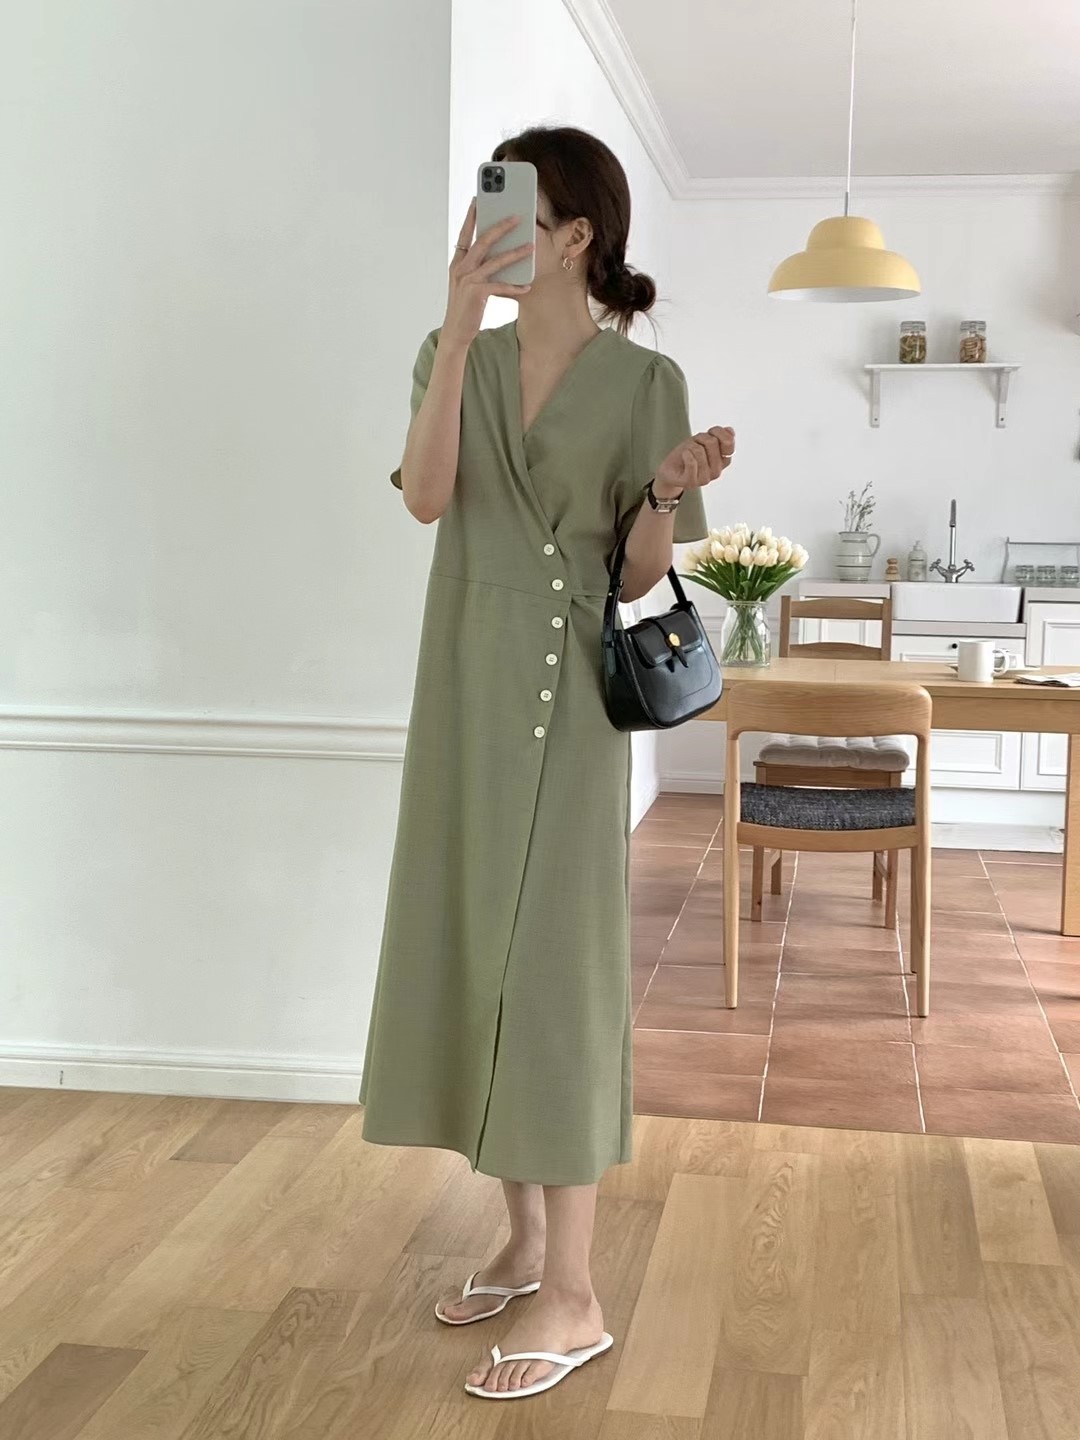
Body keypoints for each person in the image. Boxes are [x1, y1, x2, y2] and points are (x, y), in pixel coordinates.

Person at [359, 125, 733, 1401]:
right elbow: (425, 498)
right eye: (485, 198)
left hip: (571, 696)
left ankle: (576, 1298)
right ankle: (522, 1245)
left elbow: (633, 577)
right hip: (463, 679)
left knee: (559, 978)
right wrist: (461, 326)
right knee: (475, 950)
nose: (489, 222)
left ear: (576, 234)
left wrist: (665, 493)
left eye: (514, 202)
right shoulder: (451, 352)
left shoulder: (646, 382)